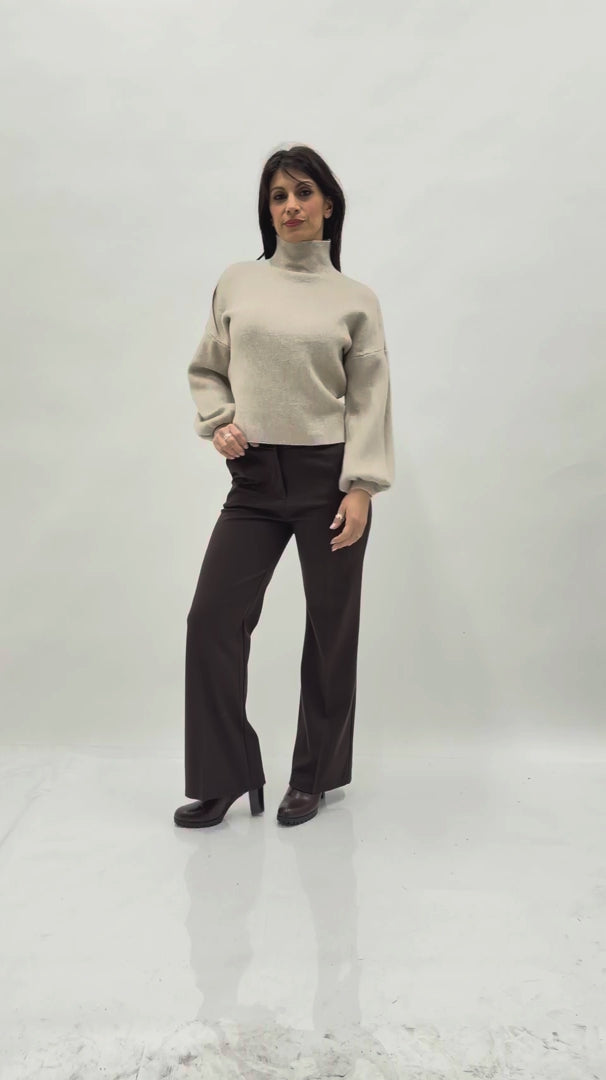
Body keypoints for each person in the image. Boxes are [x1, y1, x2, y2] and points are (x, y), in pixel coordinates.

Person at [174, 144, 395, 830]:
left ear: (328, 203)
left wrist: (361, 487)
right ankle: (224, 775)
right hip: (254, 480)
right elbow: (207, 368)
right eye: (278, 196)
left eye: (303, 192)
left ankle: (315, 777)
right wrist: (219, 422)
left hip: (329, 479)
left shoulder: (355, 300)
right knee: (212, 621)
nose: (291, 206)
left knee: (331, 630)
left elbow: (369, 398)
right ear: (267, 210)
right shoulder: (239, 281)